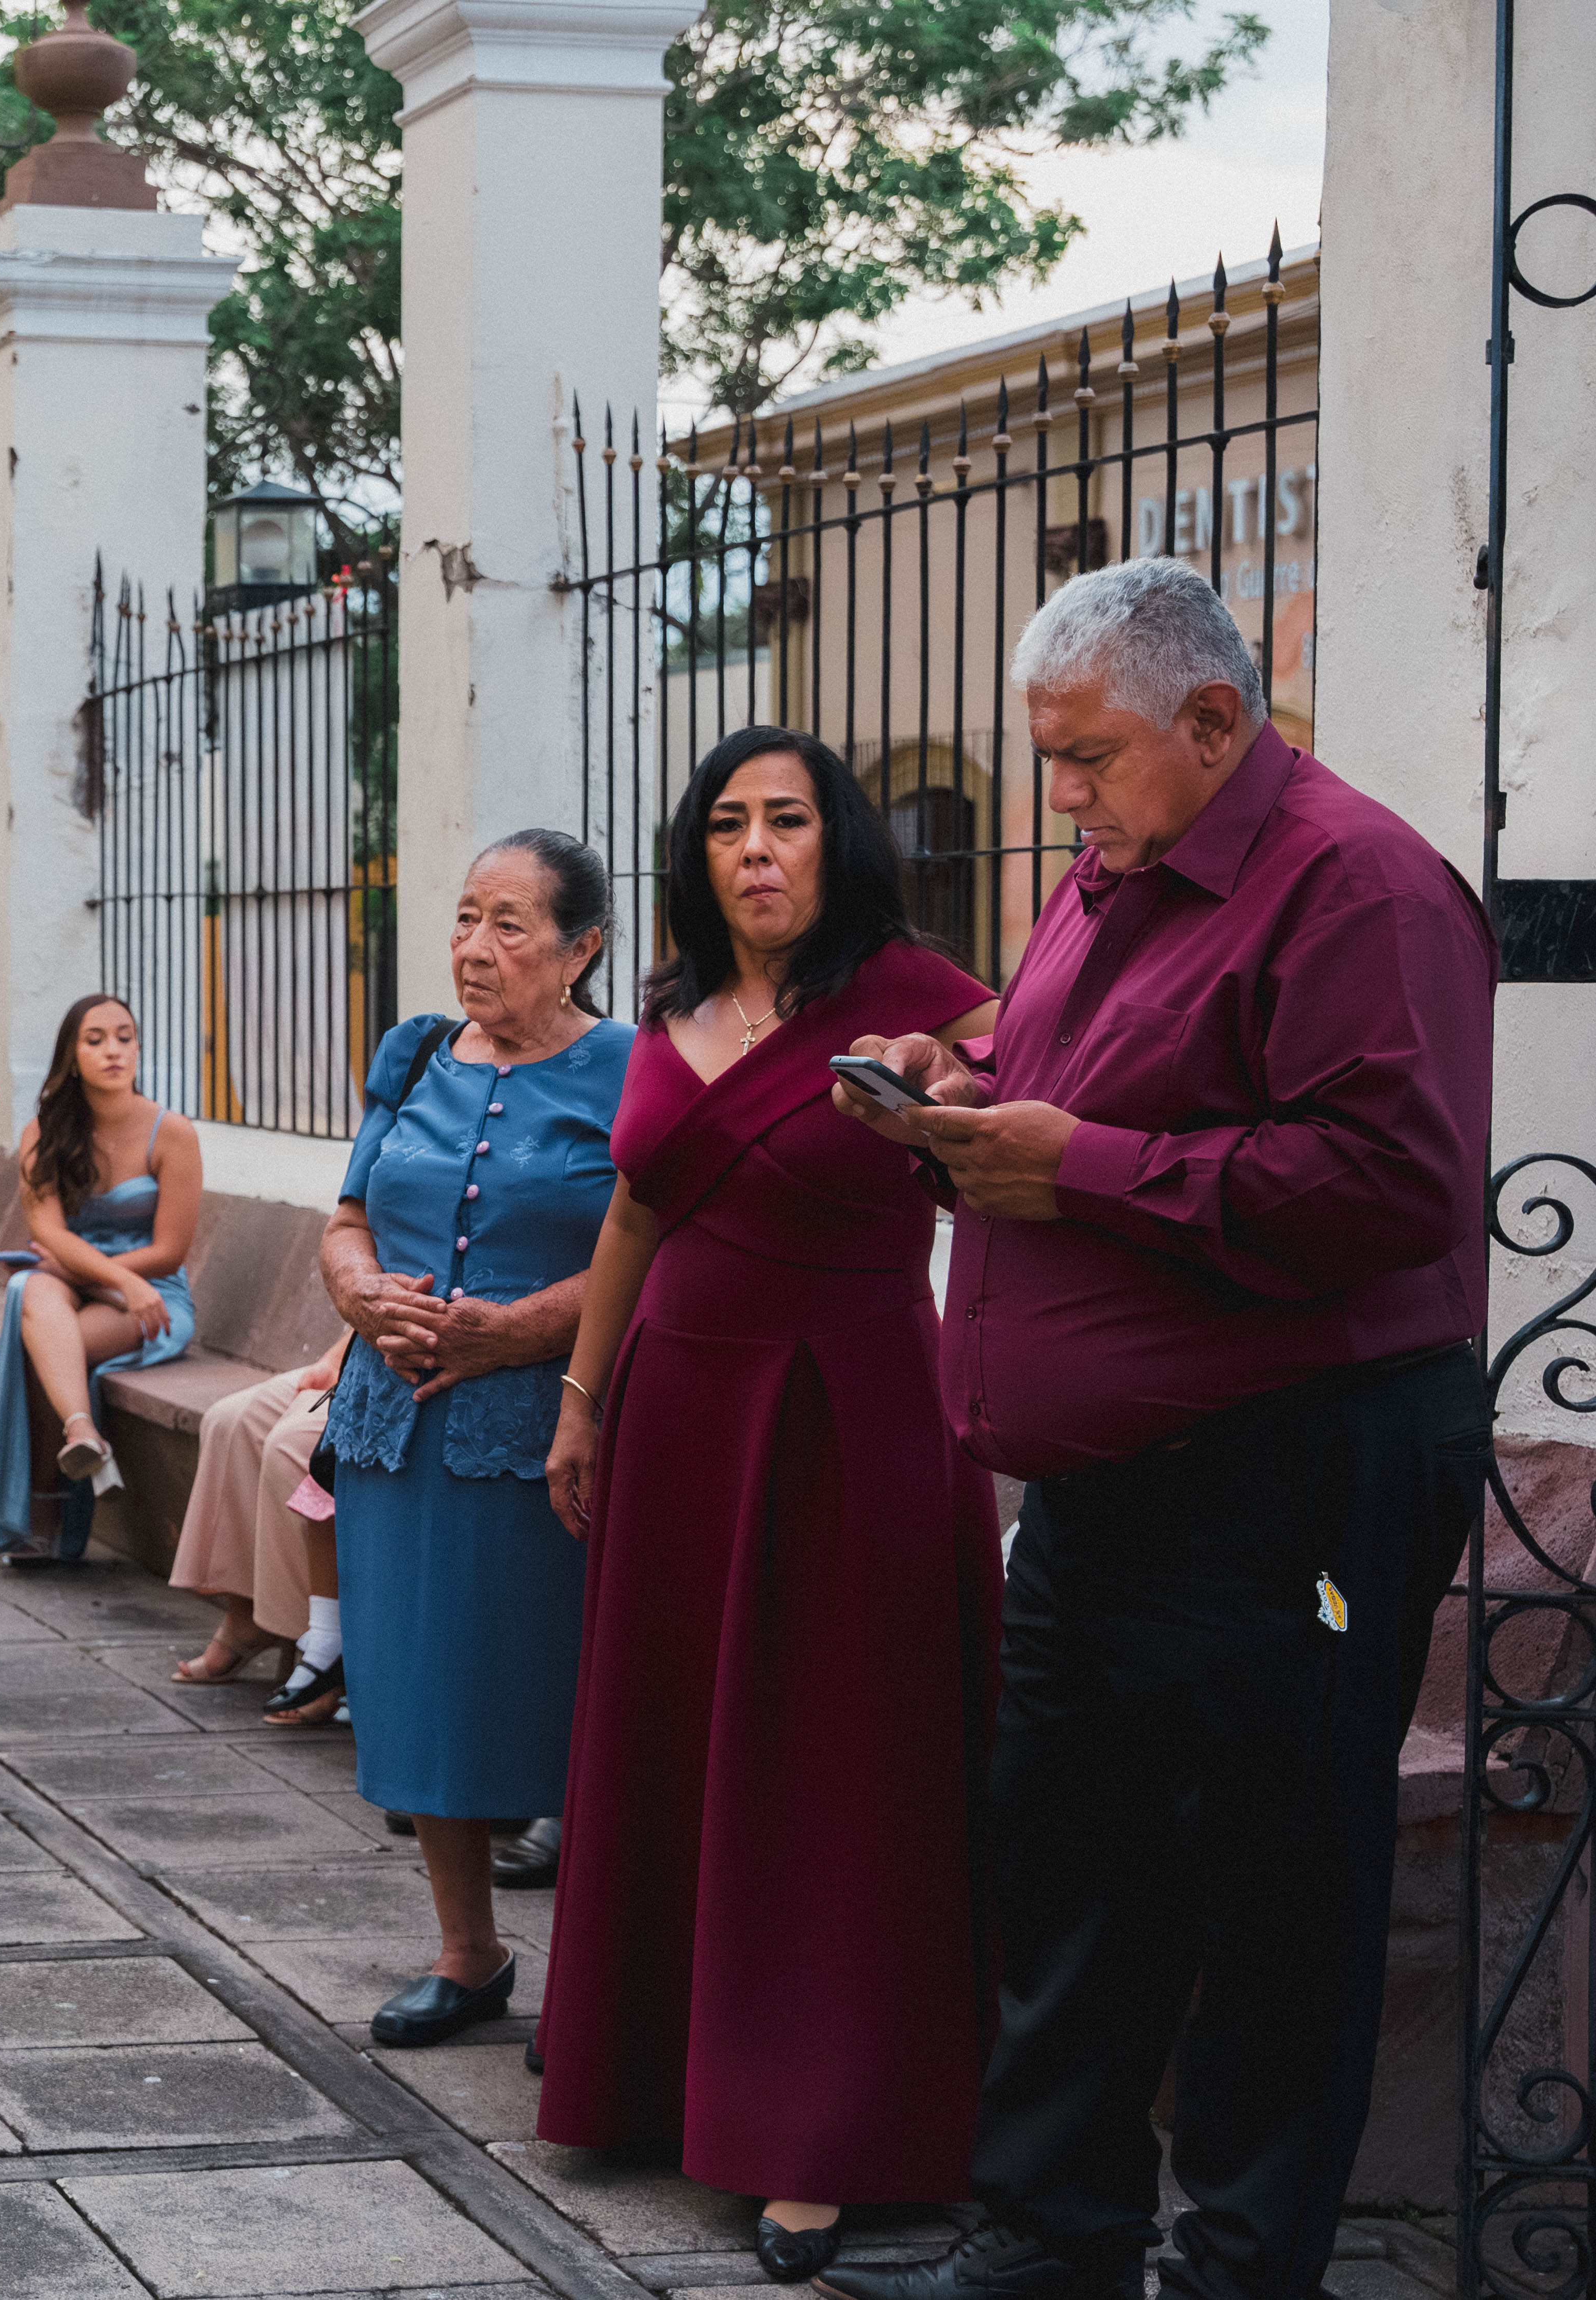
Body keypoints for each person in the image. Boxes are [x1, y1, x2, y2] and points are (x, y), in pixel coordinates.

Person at [819, 561, 1497, 2300]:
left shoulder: (1356, 884)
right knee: (1071, 1868)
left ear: (1210, 719)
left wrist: (1080, 1167)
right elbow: (1089, 1094)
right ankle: (1050, 2240)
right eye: (1043, 755)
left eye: (1085, 756)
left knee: (1275, 1887)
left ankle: (1239, 2266)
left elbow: (1391, 1184)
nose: (1057, 796)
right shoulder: (1108, 872)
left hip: (1290, 1474)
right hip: (1104, 1488)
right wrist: (962, 1103)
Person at [536, 728, 1001, 2283]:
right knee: (676, 1739)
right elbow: (634, 1208)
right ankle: (654, 2075)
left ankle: (821, 2131)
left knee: (832, 1769)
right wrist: (582, 1399)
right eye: (727, 822)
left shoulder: (927, 1000)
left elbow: (1014, 1154)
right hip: (677, 1409)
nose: (755, 847)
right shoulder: (667, 1008)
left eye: (786, 819)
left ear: (834, 841)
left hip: (852, 1413)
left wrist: (952, 1105)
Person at [319, 831, 632, 2053]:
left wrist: (521, 1330)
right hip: (396, 1430)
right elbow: (347, 1217)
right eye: (463, 918)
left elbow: (650, 1245)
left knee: (566, 1692)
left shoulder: (632, 1069)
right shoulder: (411, 1053)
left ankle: (599, 1983)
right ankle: (466, 1954)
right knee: (420, 1690)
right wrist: (357, 1293)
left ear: (579, 948)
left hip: (550, 1429)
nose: (473, 948)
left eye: (508, 925)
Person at [0, 994, 201, 1562]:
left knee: (48, 1343)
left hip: (149, 1291)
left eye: (124, 1037)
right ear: (71, 1058)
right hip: (72, 1278)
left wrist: (114, 1281)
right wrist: (91, 1275)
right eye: (95, 1040)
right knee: (30, 1288)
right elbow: (47, 1232)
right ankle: (82, 1434)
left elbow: (169, 1252)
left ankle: (45, 1513)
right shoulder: (42, 1133)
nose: (113, 1051)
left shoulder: (171, 1132)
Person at [165, 1334, 344, 1689]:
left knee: (290, 1445)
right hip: (361, 1350)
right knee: (230, 1421)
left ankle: (315, 1645)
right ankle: (247, 1615)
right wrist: (335, 1358)